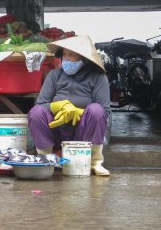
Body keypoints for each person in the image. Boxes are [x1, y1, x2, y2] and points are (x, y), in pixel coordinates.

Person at [28, 35, 111, 176]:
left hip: (83, 131)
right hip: (56, 129)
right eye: (64, 54)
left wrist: (78, 112)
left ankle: (94, 163)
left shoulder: (98, 77)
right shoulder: (54, 75)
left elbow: (105, 110)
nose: (66, 58)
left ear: (83, 58)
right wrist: (60, 106)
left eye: (71, 54)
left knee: (97, 111)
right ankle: (45, 159)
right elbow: (41, 104)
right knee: (36, 112)